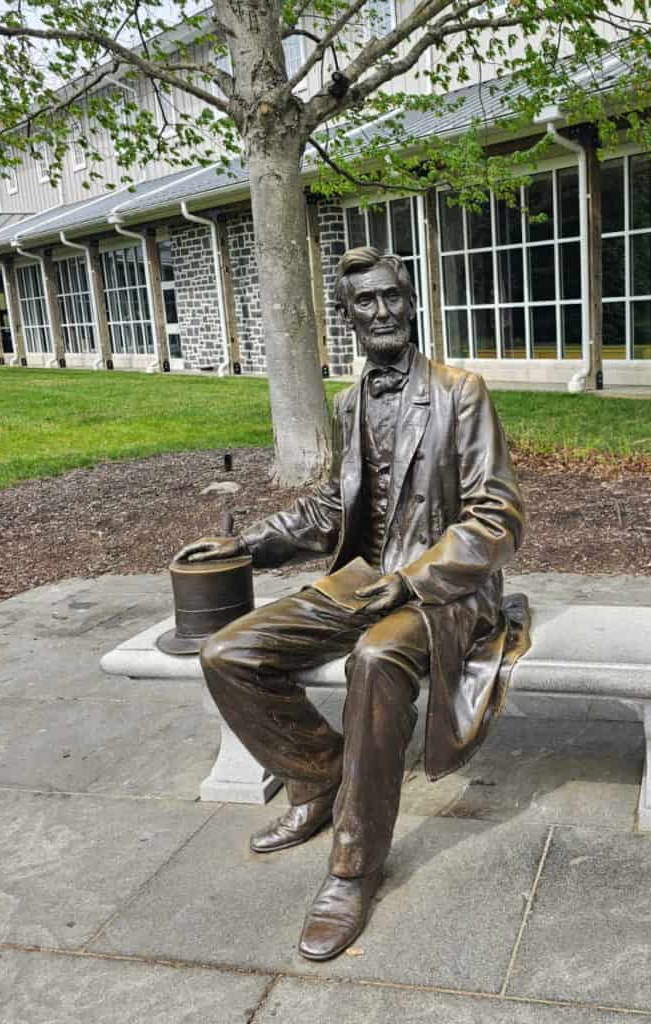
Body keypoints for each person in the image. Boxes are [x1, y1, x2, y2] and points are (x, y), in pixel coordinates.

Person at [176, 245, 527, 961]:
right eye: (364, 302)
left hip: (443, 589)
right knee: (229, 652)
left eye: (392, 297)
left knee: (376, 659)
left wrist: (415, 579)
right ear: (349, 319)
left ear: (411, 302)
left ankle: (354, 864)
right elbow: (332, 510)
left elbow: (498, 513)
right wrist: (246, 545)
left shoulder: (461, 391)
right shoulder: (351, 402)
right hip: (363, 578)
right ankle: (318, 773)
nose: (382, 311)